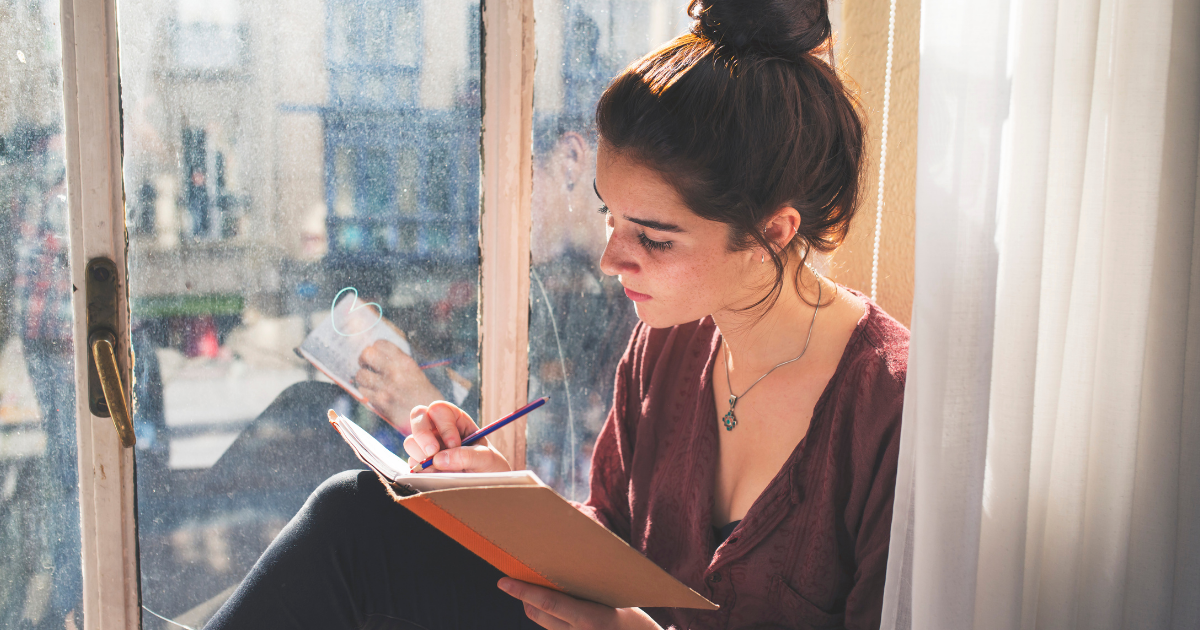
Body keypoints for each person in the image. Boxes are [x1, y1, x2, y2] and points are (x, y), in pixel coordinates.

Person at [205, 0, 907, 628]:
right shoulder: (666, 350)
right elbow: (611, 543)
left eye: (653, 238)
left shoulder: (888, 406)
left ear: (774, 233)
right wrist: (500, 501)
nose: (611, 259)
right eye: (609, 216)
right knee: (355, 514)